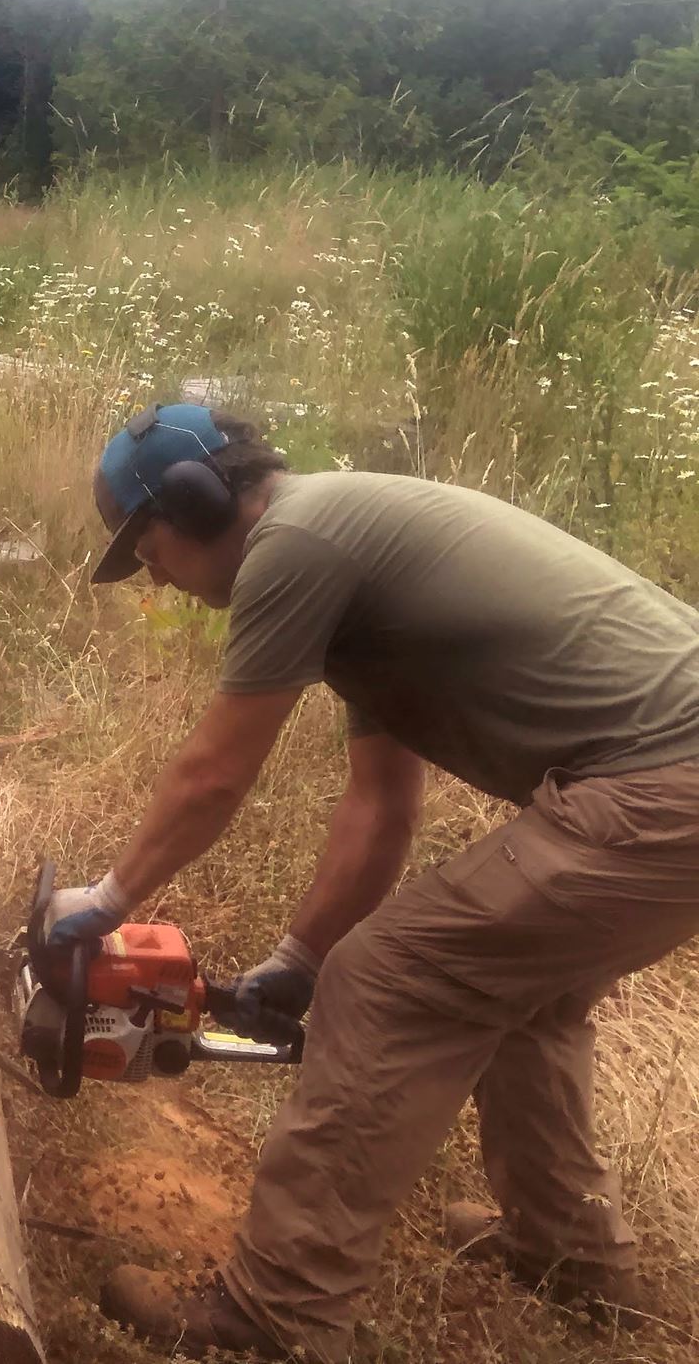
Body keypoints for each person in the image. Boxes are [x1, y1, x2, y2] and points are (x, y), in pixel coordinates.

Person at [51, 404, 699, 1360]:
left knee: (390, 980)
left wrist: (106, 901)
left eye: (144, 544)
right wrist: (297, 960)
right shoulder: (349, 558)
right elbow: (382, 806)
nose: (150, 573)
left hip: (660, 782)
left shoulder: (293, 547)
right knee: (527, 995)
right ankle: (569, 1256)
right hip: (668, 779)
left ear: (191, 503)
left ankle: (277, 1311)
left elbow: (213, 776)